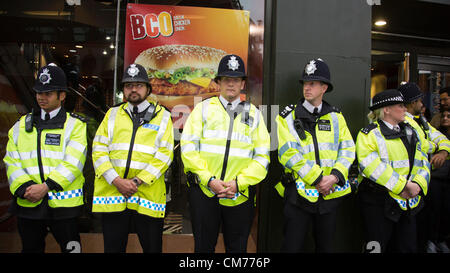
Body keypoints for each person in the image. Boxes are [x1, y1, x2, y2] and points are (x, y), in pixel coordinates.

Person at [180, 54, 270, 253]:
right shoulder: (202, 109)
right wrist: (209, 180)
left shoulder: (254, 114)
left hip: (240, 195)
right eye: (226, 79)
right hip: (205, 193)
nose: (231, 84)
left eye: (236, 79)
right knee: (203, 249)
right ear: (218, 82)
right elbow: (188, 150)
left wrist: (239, 183)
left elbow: (262, 158)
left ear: (243, 83)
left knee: (237, 250)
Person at [3, 63, 87, 253]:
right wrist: (25, 188)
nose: (42, 97)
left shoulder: (75, 125)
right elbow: (11, 161)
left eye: (48, 93)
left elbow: (74, 163)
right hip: (29, 204)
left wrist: (46, 187)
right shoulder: (20, 125)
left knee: (72, 251)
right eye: (39, 92)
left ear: (62, 95)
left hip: (63, 206)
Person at [91, 63, 174, 253]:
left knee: (152, 249)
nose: (133, 89)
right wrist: (116, 180)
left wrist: (136, 181)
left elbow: (165, 154)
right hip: (114, 194)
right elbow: (98, 149)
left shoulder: (162, 117)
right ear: (123, 90)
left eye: (138, 85)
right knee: (113, 249)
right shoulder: (112, 114)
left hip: (146, 195)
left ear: (148, 89)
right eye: (129, 85)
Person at [275, 58, 355, 253]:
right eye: (305, 83)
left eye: (312, 83)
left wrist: (335, 176)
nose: (307, 88)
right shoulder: (287, 117)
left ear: (324, 88)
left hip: (329, 196)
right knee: (291, 248)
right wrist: (319, 179)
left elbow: (348, 150)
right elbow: (287, 153)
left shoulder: (336, 117)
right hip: (298, 196)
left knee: (326, 248)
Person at [356, 89, 430, 253]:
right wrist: (404, 186)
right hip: (379, 203)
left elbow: (423, 160)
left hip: (407, 203)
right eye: (400, 105)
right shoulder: (369, 134)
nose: (405, 109)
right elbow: (370, 166)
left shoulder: (410, 131)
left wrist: (418, 184)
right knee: (375, 248)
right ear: (386, 109)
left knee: (407, 247)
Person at [423, 109, 450, 253]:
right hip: (436, 178)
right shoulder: (439, 134)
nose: (445, 119)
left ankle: (441, 240)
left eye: (448, 116)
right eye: (443, 116)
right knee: (434, 212)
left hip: (447, 180)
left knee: (446, 212)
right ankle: (432, 241)